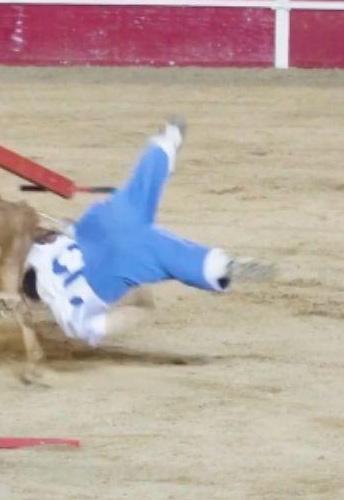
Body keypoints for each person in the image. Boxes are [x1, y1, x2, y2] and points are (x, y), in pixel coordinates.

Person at [23, 118, 273, 346]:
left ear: (40, 298)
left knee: (168, 256)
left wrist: (142, 303)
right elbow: (47, 228)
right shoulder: (37, 255)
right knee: (136, 192)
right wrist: (67, 229)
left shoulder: (71, 319)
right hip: (95, 226)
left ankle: (220, 268)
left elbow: (125, 315)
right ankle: (164, 146)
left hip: (113, 270)